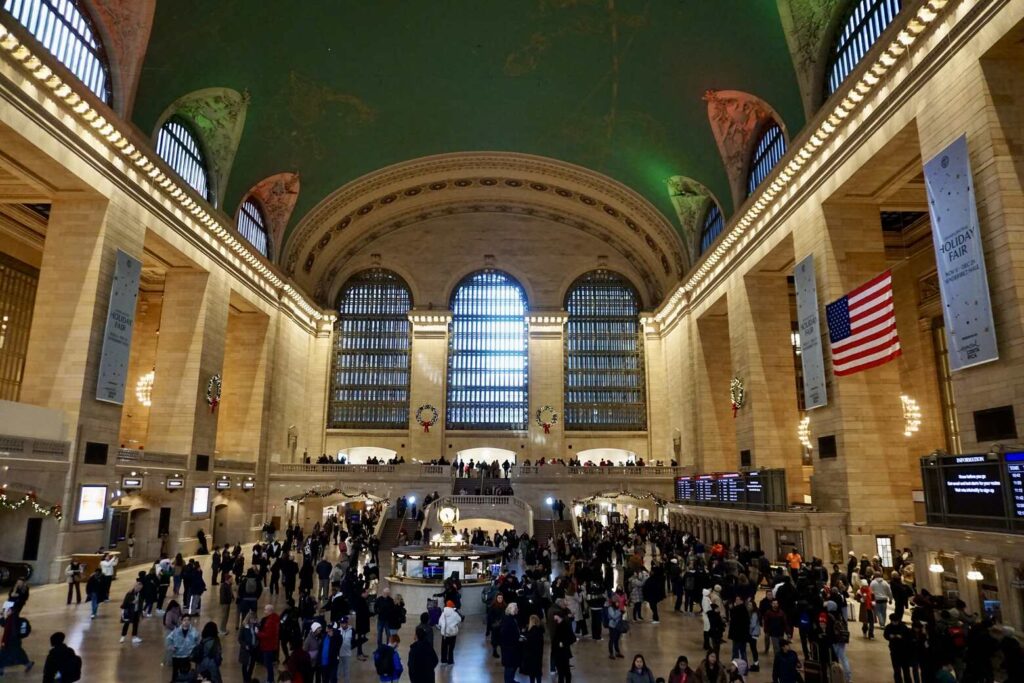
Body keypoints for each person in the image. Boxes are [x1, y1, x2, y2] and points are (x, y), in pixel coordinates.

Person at [165, 613, 199, 680]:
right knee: (175, 674)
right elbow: (169, 639)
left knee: (185, 675)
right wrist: (171, 647)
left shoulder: (194, 632)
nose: (186, 622)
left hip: (187, 657)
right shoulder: (176, 631)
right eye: (184, 620)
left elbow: (198, 642)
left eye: (188, 620)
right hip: (176, 656)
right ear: (181, 621)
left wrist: (194, 650)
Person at [0, 606, 33, 675]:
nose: (7, 612)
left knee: (3, 654)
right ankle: (27, 663)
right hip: (17, 641)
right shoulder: (19, 620)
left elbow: (5, 625)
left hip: (10, 641)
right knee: (19, 653)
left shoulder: (11, 620)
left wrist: (1, 617)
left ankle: (1, 669)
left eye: (9, 610)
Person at [500, 602, 522, 683]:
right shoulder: (508, 620)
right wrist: (517, 638)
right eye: (516, 609)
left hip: (511, 648)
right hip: (509, 649)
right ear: (513, 610)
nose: (518, 610)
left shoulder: (511, 618)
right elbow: (506, 634)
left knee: (512, 667)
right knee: (510, 667)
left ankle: (510, 680)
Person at [551, 611, 575, 683]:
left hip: (563, 653)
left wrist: (563, 644)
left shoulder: (564, 625)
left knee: (565, 671)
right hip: (558, 653)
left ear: (559, 616)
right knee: (561, 672)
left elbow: (572, 638)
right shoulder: (558, 624)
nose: (554, 617)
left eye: (555, 615)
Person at [258, 603, 281, 682]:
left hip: (268, 645)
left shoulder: (270, 621)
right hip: (272, 645)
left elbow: (267, 634)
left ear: (269, 611)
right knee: (268, 663)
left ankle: (270, 680)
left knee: (268, 664)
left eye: (265, 610)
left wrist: (258, 633)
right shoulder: (274, 619)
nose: (264, 611)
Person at [521, 613, 545, 683]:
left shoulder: (530, 632)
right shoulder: (540, 631)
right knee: (538, 672)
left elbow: (527, 643)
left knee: (532, 674)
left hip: (531, 655)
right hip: (538, 655)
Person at [437, 599, 462, 665]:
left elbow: (439, 623)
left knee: (444, 648)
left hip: (444, 634)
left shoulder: (443, 613)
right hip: (452, 634)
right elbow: (460, 620)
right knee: (451, 648)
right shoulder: (455, 614)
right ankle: (450, 661)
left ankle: (443, 660)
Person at [238, 612, 260, 683]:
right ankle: (245, 679)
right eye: (252, 619)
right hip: (246, 649)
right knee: (245, 664)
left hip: (254, 648)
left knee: (252, 664)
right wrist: (245, 645)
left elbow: (258, 637)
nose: (254, 620)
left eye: (255, 619)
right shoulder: (244, 627)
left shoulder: (257, 626)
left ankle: (249, 677)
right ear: (249, 619)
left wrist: (257, 643)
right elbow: (240, 639)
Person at [336, 616, 356, 683]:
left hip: (347, 654)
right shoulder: (338, 631)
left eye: (344, 623)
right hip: (339, 654)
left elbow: (353, 641)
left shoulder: (352, 630)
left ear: (347, 623)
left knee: (346, 670)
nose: (342, 625)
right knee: (338, 670)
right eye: (341, 623)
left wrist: (350, 647)